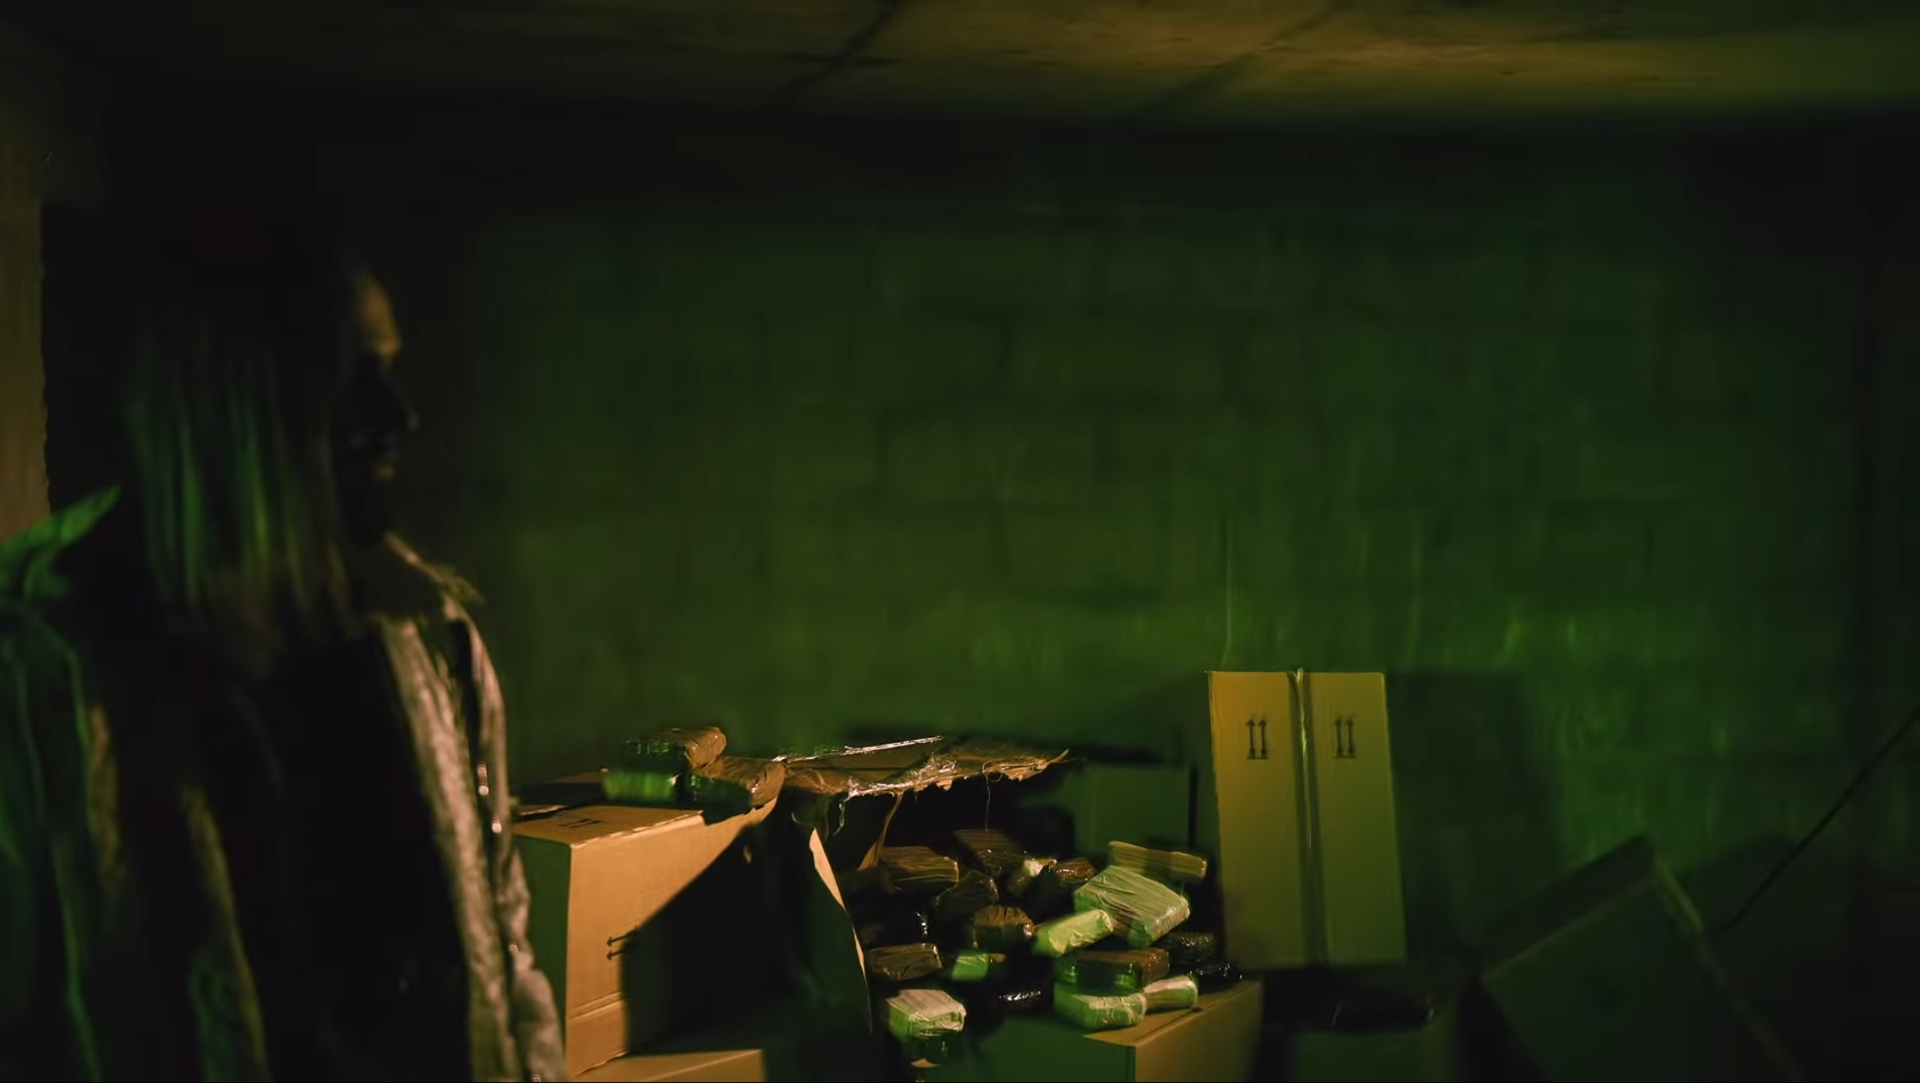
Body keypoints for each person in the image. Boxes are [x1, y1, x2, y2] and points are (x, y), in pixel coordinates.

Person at [0, 207, 566, 1081]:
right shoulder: (44, 681)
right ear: (234, 407)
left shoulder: (431, 638)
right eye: (352, 379)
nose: (399, 417)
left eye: (389, 372)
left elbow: (501, 944)